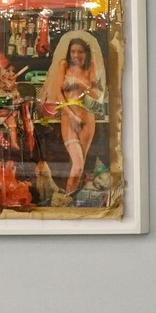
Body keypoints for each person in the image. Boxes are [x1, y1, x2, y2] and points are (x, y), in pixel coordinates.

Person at [41, 31, 105, 194]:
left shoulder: (91, 66)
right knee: (77, 165)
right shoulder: (63, 65)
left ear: (86, 53)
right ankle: (68, 198)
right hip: (69, 117)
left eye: (80, 52)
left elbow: (96, 94)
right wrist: (71, 116)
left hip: (87, 118)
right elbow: (57, 93)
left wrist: (78, 83)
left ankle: (72, 200)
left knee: (80, 164)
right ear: (69, 52)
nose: (76, 55)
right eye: (73, 51)